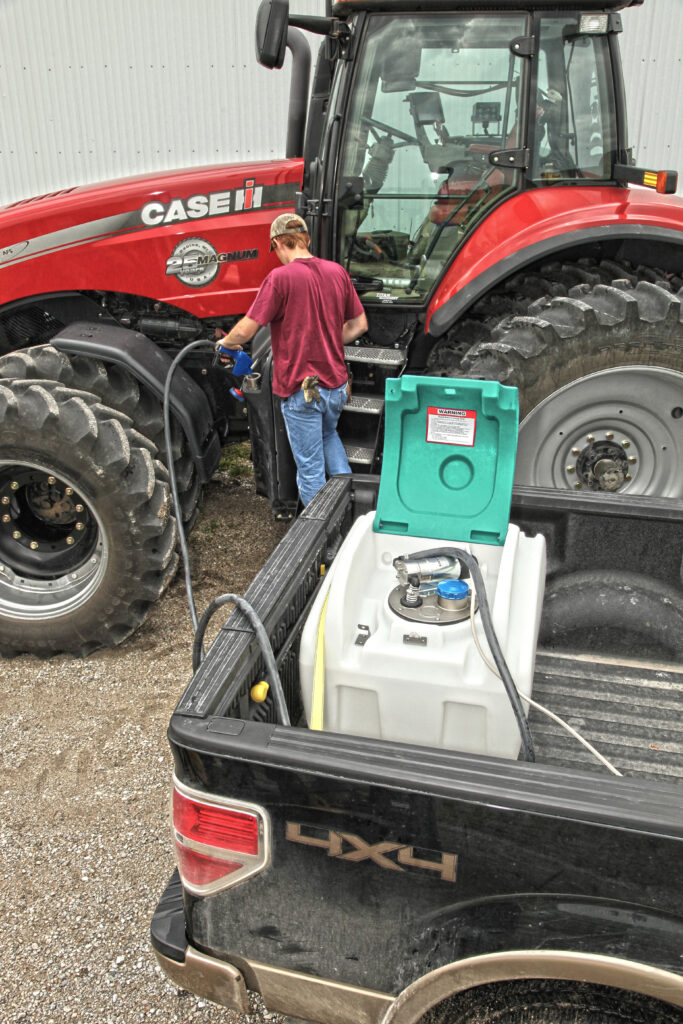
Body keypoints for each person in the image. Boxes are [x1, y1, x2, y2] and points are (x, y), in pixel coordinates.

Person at [217, 214, 368, 508]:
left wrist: (226, 342)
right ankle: (351, 511)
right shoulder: (336, 272)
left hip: (303, 392)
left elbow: (248, 328)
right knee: (328, 435)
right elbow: (359, 324)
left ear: (277, 243)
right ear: (306, 239)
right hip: (335, 386)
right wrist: (327, 342)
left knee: (310, 473)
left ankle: (319, 540)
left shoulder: (280, 278)